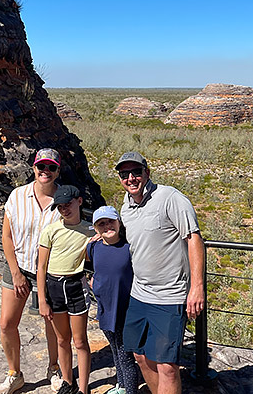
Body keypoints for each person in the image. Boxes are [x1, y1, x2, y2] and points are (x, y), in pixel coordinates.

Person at [115, 151, 205, 394]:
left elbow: (194, 239)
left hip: (170, 296)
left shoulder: (170, 198)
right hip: (139, 294)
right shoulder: (126, 206)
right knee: (141, 356)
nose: (131, 178)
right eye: (125, 174)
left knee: (167, 366)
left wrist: (196, 288)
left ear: (147, 173)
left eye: (136, 172)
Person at [0, 148, 63, 394]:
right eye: (41, 166)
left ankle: (54, 368)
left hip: (51, 270)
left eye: (51, 167)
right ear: (34, 168)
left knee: (52, 323)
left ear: (58, 171)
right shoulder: (17, 196)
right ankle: (15, 374)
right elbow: (6, 236)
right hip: (19, 266)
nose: (45, 171)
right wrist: (15, 272)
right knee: (7, 323)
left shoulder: (62, 200)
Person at [37, 185, 95, 394]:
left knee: (80, 341)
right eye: (60, 207)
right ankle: (67, 382)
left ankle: (83, 388)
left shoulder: (91, 230)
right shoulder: (51, 230)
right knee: (62, 339)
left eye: (68, 204)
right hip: (54, 287)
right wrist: (42, 300)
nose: (64, 210)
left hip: (75, 286)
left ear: (79, 201)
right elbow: (41, 266)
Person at [86, 206, 139, 394]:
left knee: (125, 355)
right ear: (96, 228)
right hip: (105, 309)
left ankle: (129, 389)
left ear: (119, 223)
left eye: (110, 221)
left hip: (125, 309)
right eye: (102, 223)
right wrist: (93, 282)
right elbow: (91, 267)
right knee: (115, 350)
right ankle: (122, 385)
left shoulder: (129, 248)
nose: (107, 226)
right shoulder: (93, 247)